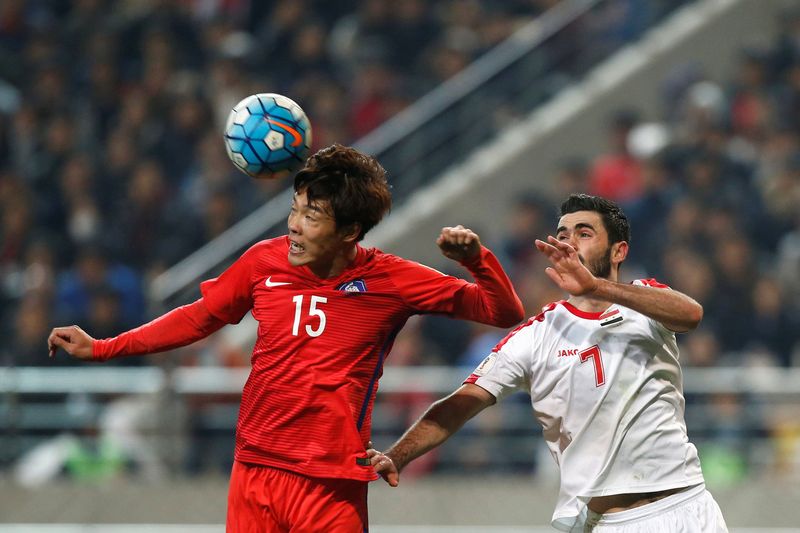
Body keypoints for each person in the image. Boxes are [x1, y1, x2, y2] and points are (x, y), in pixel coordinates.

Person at [47, 143, 525, 533]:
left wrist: (477, 260)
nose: (295, 226)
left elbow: (503, 312)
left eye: (312, 217)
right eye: (294, 210)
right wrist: (104, 347)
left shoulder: (392, 279)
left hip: (331, 482)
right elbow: (198, 318)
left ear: (350, 231)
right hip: (255, 469)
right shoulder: (263, 262)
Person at [369, 193, 728, 533]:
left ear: (619, 251)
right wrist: (397, 456)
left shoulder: (644, 305)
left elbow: (691, 315)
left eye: (584, 233)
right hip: (608, 523)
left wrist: (597, 288)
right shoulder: (534, 336)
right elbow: (457, 407)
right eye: (562, 234)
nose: (569, 242)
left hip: (686, 508)